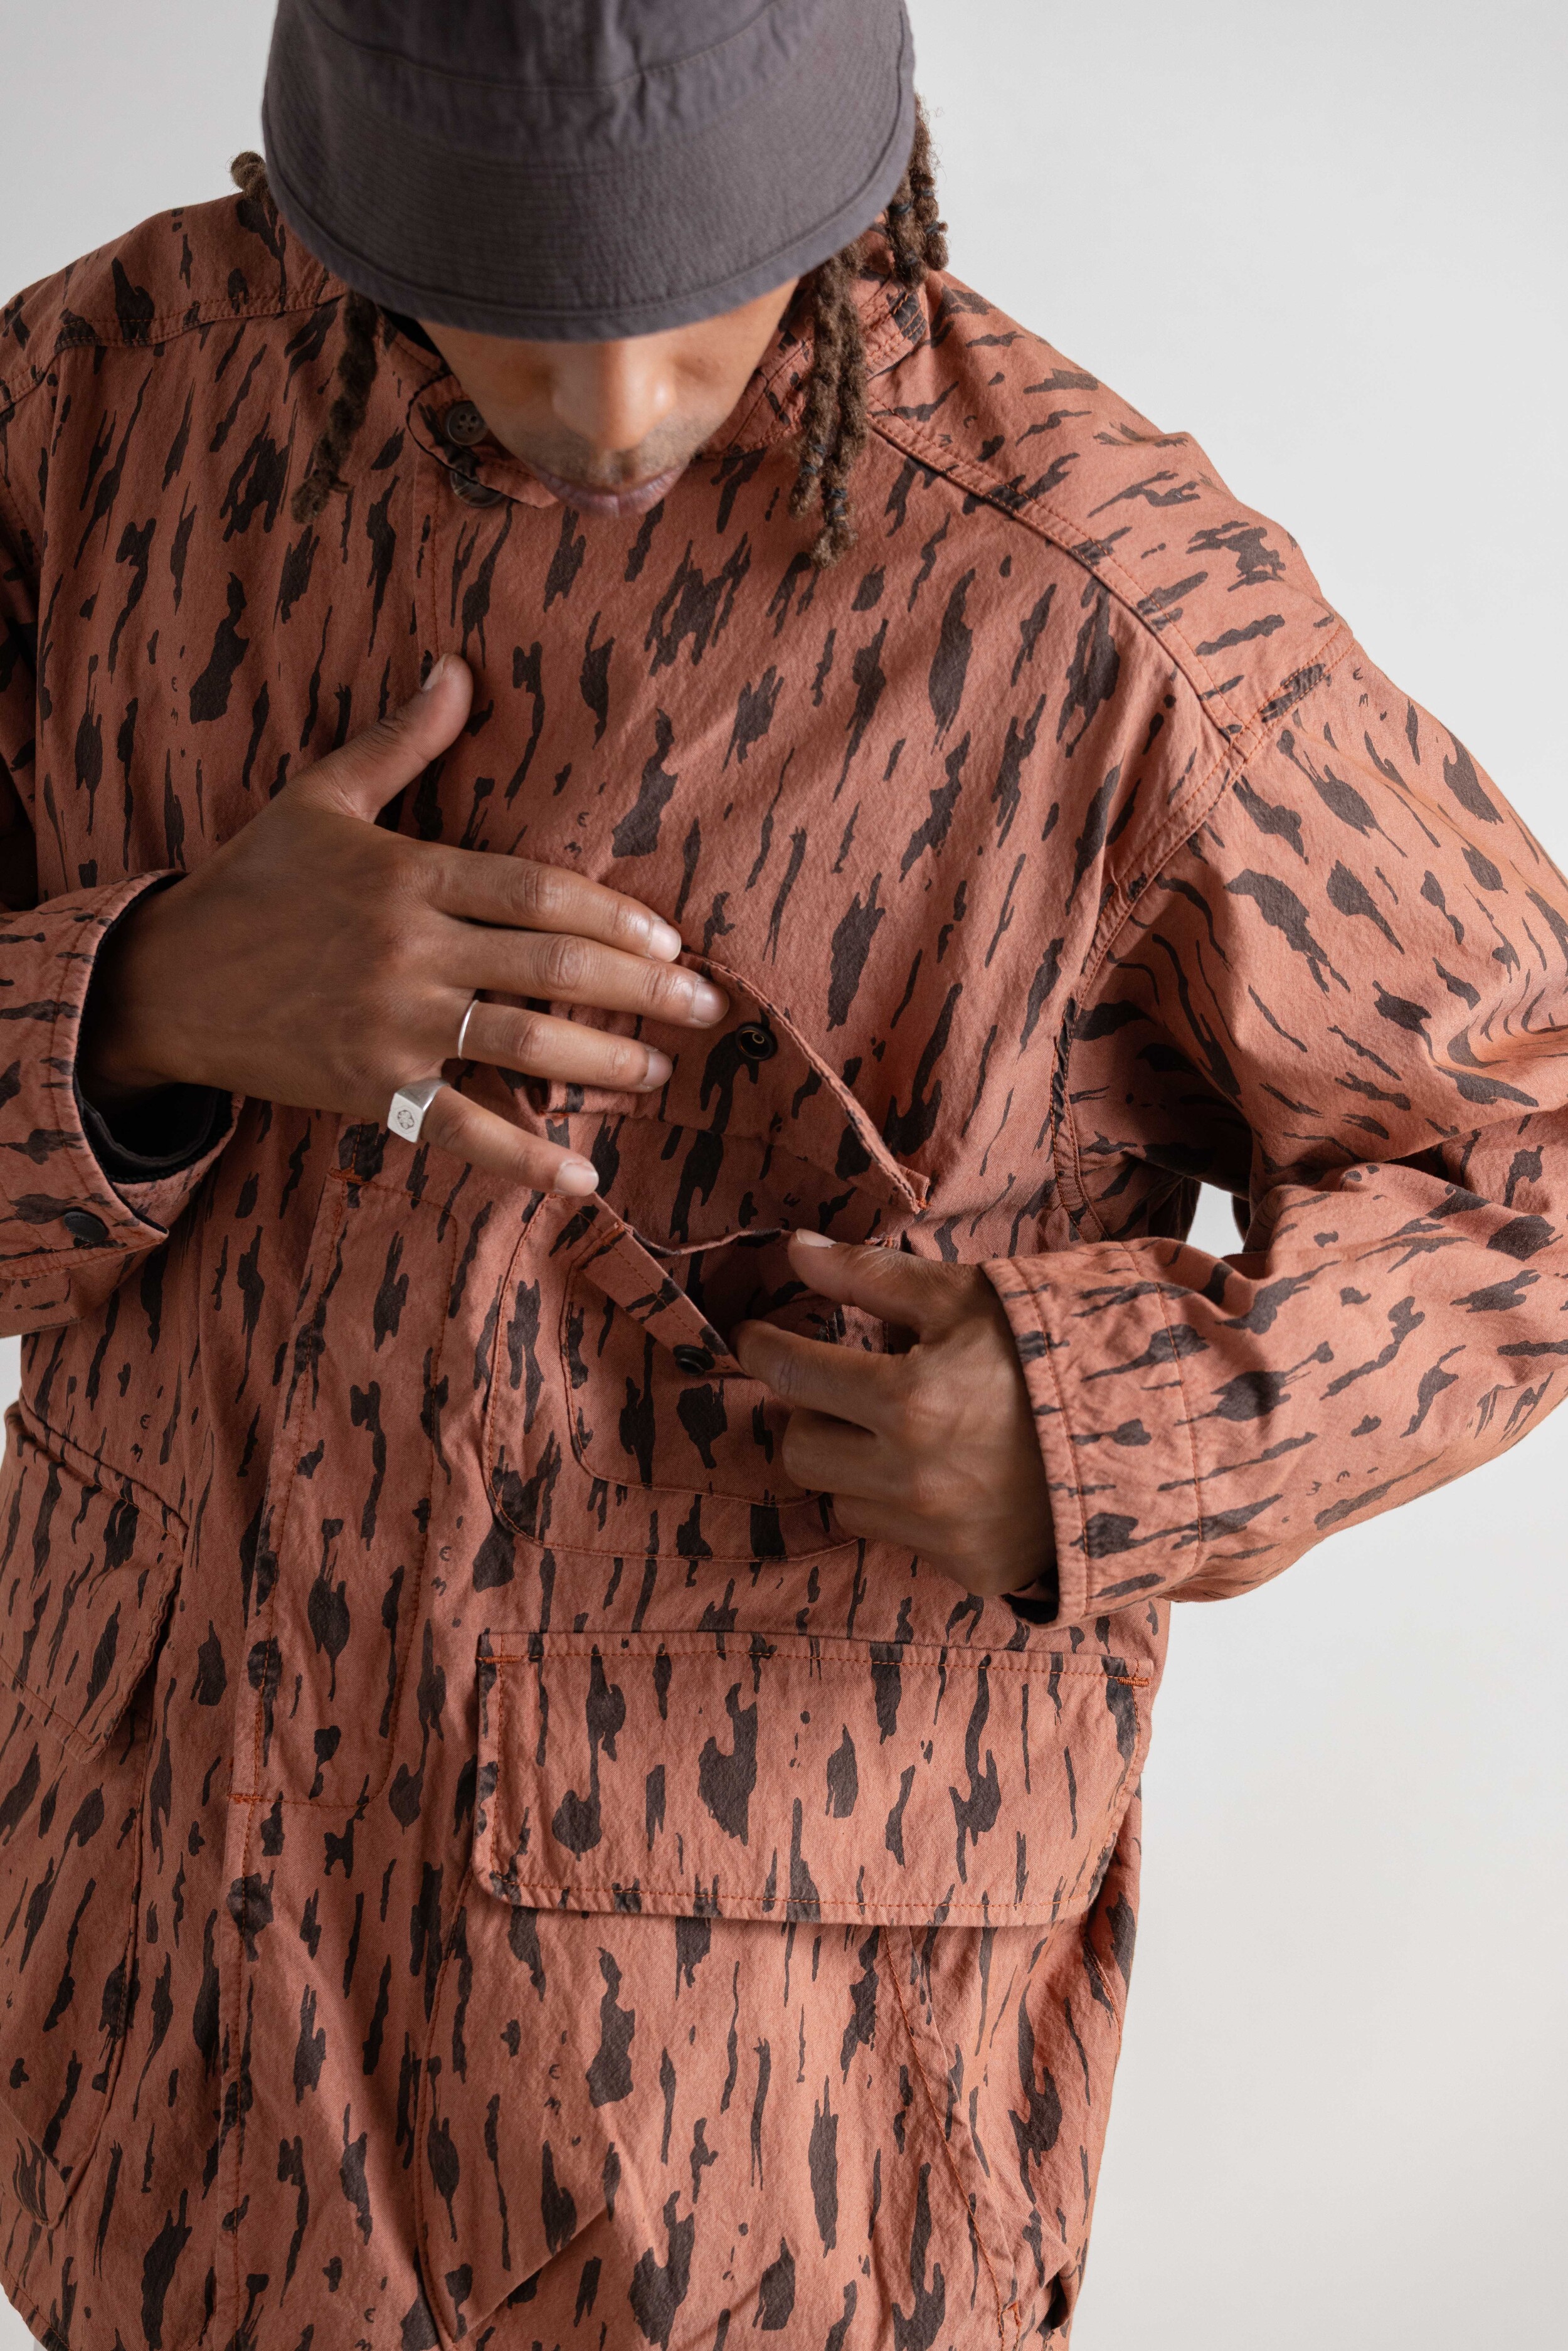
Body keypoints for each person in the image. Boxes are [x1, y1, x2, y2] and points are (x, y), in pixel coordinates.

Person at [0, 1, 1561, 2344]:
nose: (612, 404)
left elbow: (1530, 1137)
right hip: (151, 2042)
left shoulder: (1093, 601)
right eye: (509, 298)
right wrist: (130, 1009)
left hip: (743, 2145)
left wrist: (1104, 1427)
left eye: (691, 293)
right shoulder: (101, 414)